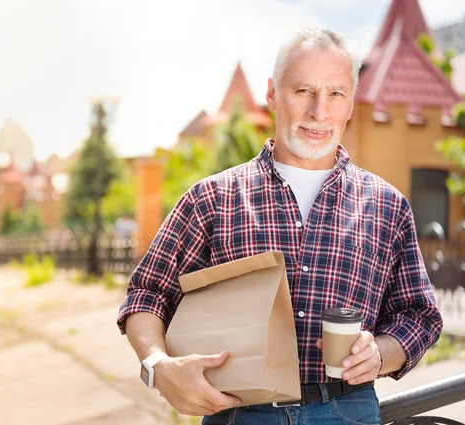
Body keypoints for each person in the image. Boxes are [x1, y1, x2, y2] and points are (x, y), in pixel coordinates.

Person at [117, 28, 443, 425]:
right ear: (272, 93)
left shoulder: (388, 206)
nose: (319, 111)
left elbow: (419, 315)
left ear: (351, 103)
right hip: (239, 413)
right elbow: (148, 294)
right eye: (303, 91)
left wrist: (378, 354)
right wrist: (158, 367)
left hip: (347, 411)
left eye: (336, 93)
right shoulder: (212, 199)